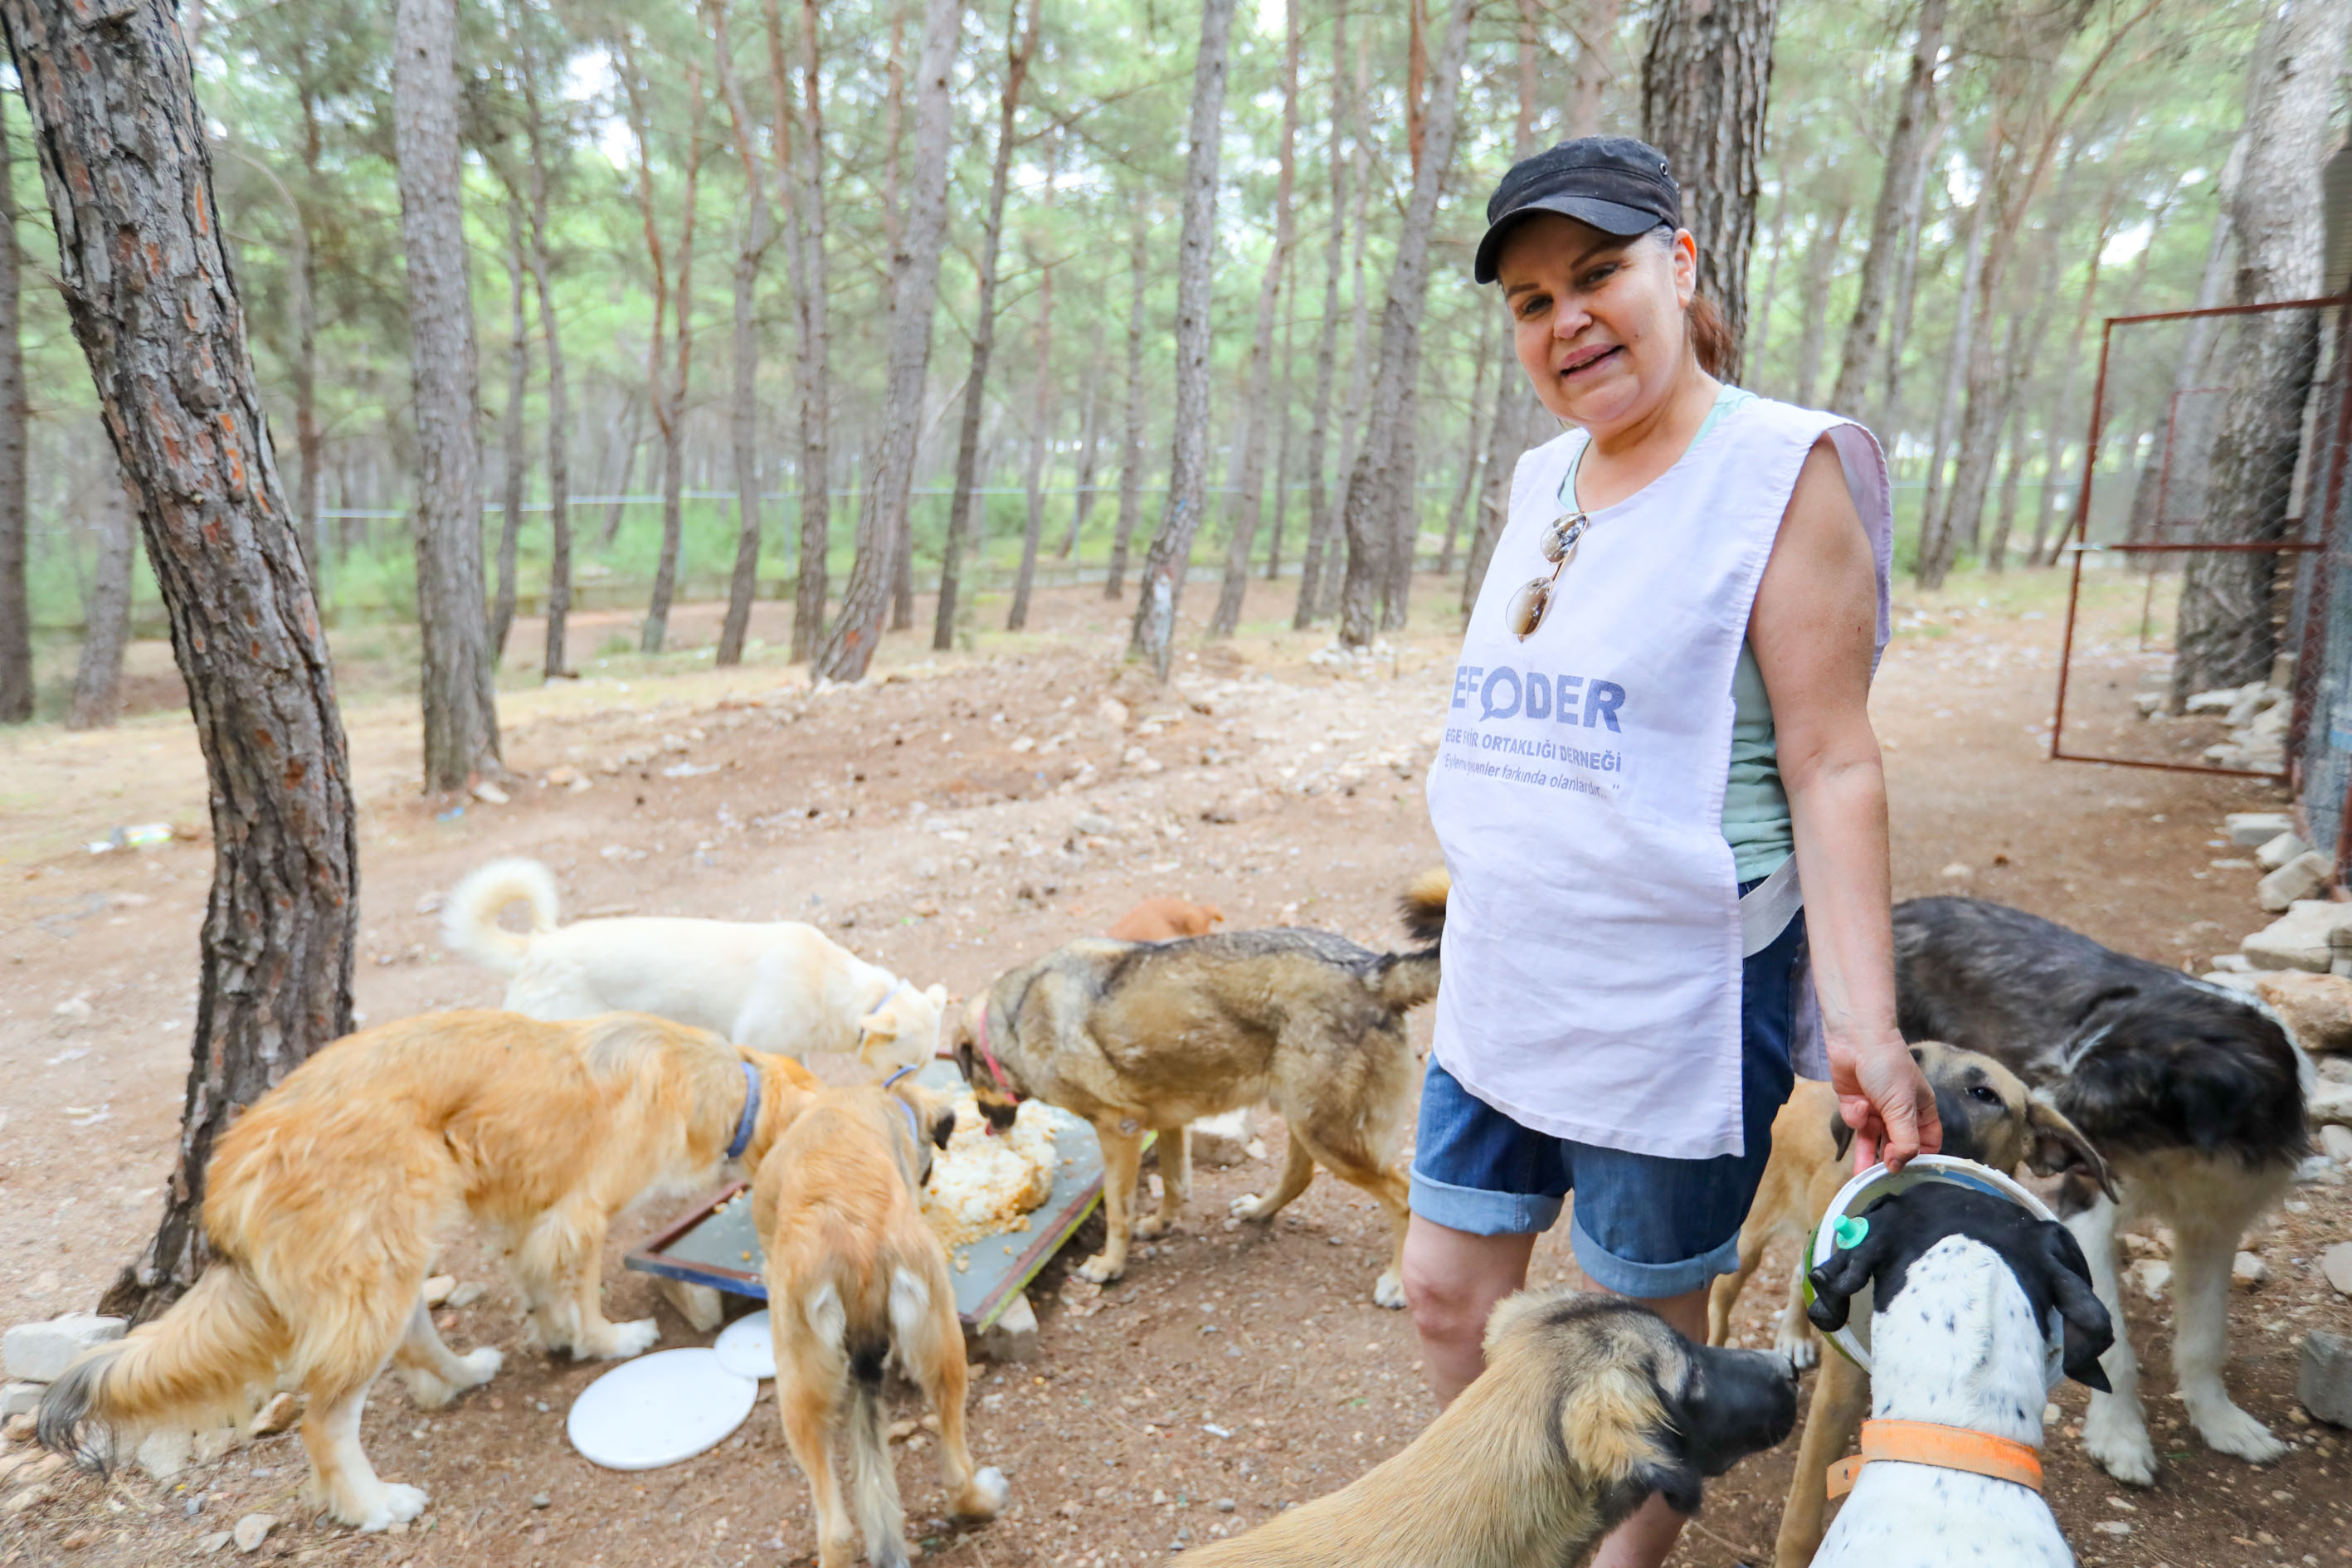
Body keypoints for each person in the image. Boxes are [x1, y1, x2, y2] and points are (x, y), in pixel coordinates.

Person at [1404, 136, 1942, 1568]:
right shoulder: (1543, 480)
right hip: (1505, 965)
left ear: (1681, 264)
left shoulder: (1781, 472)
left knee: (1643, 1337)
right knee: (1447, 1292)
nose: (1565, 318)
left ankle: (1622, 1562)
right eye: (1529, 301)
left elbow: (1833, 762)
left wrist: (1867, 1028)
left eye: (1597, 275)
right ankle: (1515, 1528)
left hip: (1670, 994)